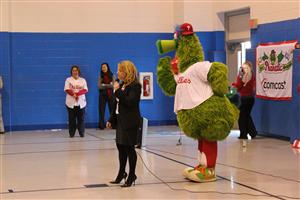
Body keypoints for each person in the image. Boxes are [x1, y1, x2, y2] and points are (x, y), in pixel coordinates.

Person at [106, 60, 141, 187]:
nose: (117, 72)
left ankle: (132, 175)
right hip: (120, 121)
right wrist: (110, 119)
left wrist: (117, 91)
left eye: (120, 70)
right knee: (121, 147)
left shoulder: (135, 86)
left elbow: (130, 102)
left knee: (129, 148)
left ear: (127, 72)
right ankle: (121, 173)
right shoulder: (122, 85)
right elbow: (117, 104)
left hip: (130, 122)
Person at [232, 61, 257, 146]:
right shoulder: (252, 75)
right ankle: (253, 132)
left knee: (242, 117)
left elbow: (238, 85)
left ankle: (244, 134)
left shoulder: (241, 75)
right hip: (251, 98)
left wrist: (233, 85)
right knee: (247, 115)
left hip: (244, 98)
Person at [64, 65, 88, 138]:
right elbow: (67, 89)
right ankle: (72, 133)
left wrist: (77, 94)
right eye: (73, 70)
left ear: (78, 71)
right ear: (71, 71)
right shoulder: (68, 80)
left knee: (81, 119)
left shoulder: (83, 80)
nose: (75, 72)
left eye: (76, 70)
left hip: (81, 102)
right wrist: (73, 94)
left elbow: (85, 89)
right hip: (70, 103)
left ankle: (81, 133)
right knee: (72, 119)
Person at [98, 63, 115, 130]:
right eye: (102, 67)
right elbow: (99, 87)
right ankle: (101, 125)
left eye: (105, 67)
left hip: (111, 95)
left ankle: (113, 124)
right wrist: (109, 84)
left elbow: (113, 86)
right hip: (102, 95)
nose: (103, 68)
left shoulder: (112, 75)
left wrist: (104, 85)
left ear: (107, 67)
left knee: (112, 110)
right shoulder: (100, 76)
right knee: (101, 110)